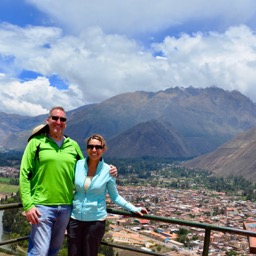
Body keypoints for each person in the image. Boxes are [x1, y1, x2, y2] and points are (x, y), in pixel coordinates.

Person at [19, 106, 117, 256]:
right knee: (40, 251)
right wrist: (28, 205)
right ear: (48, 120)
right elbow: (24, 173)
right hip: (41, 206)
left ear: (66, 123)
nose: (59, 122)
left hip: (66, 207)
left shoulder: (72, 145)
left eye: (62, 119)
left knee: (54, 249)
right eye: (55, 118)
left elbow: (89, 163)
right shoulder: (36, 143)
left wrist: (109, 169)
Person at [67, 134, 148, 256]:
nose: (94, 150)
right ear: (87, 148)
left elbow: (115, 197)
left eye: (98, 147)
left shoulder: (108, 171)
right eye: (91, 146)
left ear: (103, 149)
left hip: (95, 221)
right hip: (75, 220)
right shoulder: (77, 165)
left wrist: (134, 208)